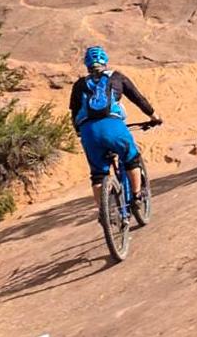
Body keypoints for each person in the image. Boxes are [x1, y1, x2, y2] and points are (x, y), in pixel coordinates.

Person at [69, 45, 160, 219]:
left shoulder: (79, 85)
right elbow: (138, 99)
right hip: (113, 126)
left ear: (87, 64)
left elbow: (74, 112)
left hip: (88, 131)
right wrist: (155, 117)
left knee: (98, 175)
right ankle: (135, 197)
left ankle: (105, 214)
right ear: (105, 61)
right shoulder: (116, 77)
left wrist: (79, 132)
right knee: (132, 159)